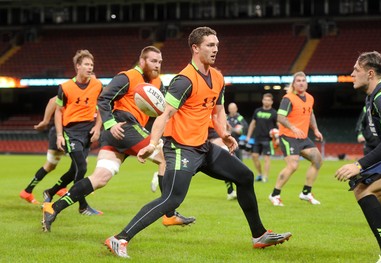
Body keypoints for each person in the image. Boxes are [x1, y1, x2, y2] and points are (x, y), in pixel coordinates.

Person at [103, 26, 291, 258]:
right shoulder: (184, 80)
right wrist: (152, 144)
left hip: (203, 147)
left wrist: (223, 133)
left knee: (245, 176)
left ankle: (259, 235)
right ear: (195, 48)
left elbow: (218, 109)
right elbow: (165, 114)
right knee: (172, 198)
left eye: (217, 45)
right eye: (210, 45)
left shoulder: (218, 77)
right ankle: (119, 239)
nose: (215, 50)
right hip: (181, 148)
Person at [42, 46, 195, 232]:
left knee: (99, 178)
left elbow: (164, 108)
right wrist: (110, 124)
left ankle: (53, 208)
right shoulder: (127, 77)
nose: (157, 65)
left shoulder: (157, 83)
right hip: (124, 126)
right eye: (153, 61)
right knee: (166, 158)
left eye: (160, 61)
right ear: (142, 61)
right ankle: (169, 214)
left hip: (123, 134)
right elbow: (104, 99)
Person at [335, 51, 381, 263]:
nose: (352, 74)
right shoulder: (373, 98)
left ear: (370, 73)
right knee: (376, 199)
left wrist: (359, 164)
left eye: (356, 70)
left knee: (364, 190)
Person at [43, 49, 104, 217]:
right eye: (86, 64)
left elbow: (102, 108)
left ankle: (50, 191)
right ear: (78, 66)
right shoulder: (65, 87)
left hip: (88, 131)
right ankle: (83, 206)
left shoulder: (97, 85)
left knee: (74, 171)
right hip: (72, 131)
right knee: (82, 167)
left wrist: (98, 127)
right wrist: (60, 135)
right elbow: (58, 111)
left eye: (92, 64)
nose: (90, 67)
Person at [268, 71, 323, 206]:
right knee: (293, 165)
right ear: (294, 84)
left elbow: (311, 114)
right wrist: (292, 128)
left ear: (306, 83)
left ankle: (306, 192)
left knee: (317, 160)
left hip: (302, 137)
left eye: (303, 80)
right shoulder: (288, 98)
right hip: (288, 136)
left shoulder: (310, 98)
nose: (301, 83)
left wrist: (315, 129)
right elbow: (280, 117)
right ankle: (274, 195)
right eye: (298, 80)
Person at [19, 96, 68, 204]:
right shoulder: (73, 87)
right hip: (66, 132)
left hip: (58, 131)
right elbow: (53, 100)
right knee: (81, 161)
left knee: (50, 165)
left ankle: (27, 191)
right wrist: (45, 121)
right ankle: (60, 187)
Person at [246, 93, 278, 183]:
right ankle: (259, 174)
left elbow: (279, 125)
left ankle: (265, 176)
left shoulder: (274, 113)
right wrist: (248, 136)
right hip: (257, 138)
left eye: (269, 100)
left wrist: (277, 137)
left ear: (271, 102)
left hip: (268, 139)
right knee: (254, 156)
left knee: (267, 158)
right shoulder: (257, 111)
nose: (266, 101)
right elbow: (253, 124)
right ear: (262, 100)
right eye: (265, 99)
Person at [208, 120, 237, 200]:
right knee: (228, 165)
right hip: (213, 142)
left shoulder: (216, 114)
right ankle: (230, 190)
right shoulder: (205, 114)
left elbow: (228, 127)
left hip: (220, 141)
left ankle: (230, 190)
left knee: (229, 166)